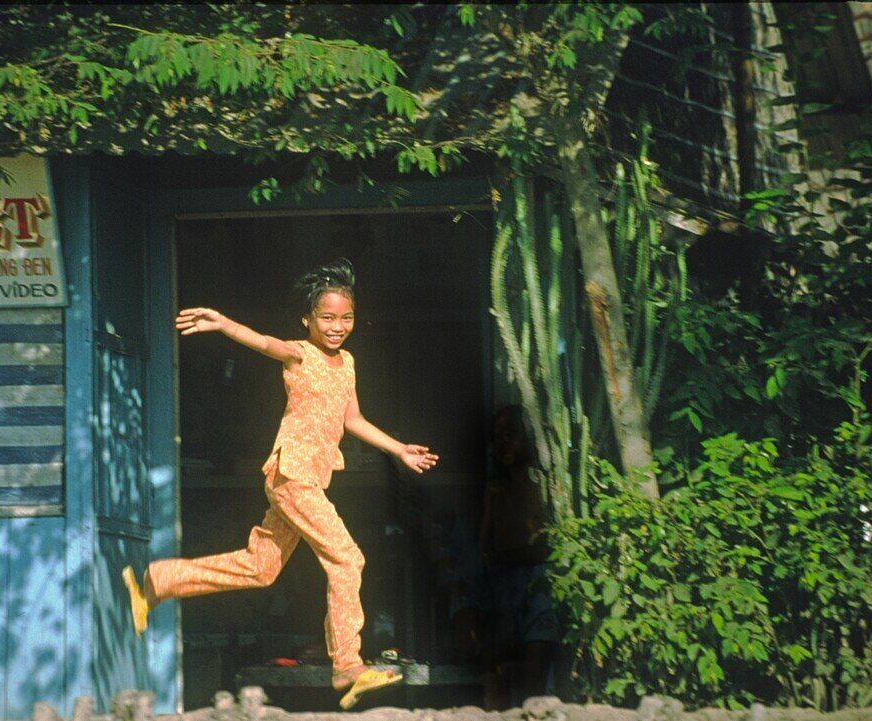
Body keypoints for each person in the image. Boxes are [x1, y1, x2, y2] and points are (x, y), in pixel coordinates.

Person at [121, 258, 439, 709]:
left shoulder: (346, 363)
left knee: (261, 567)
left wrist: (400, 449)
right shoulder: (300, 353)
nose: (337, 327)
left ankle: (157, 581)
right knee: (348, 560)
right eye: (327, 318)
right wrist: (224, 322)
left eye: (345, 318)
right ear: (307, 319)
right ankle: (347, 666)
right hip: (292, 477)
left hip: (309, 481)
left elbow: (354, 419)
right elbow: (264, 342)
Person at [479, 405, 555, 709]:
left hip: (539, 583)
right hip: (503, 587)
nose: (504, 443)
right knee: (494, 668)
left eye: (511, 434)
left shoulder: (544, 483)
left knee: (534, 677)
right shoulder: (494, 489)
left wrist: (506, 558)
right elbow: (484, 547)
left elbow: (545, 548)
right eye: (497, 437)